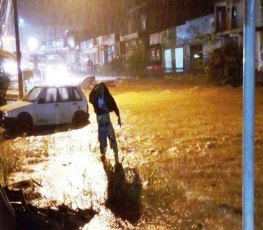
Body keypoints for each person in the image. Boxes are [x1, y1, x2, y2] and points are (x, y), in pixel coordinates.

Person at [89, 82, 121, 163]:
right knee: (102, 143)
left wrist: (118, 117)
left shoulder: (107, 97)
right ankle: (103, 157)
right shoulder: (95, 98)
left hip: (107, 122)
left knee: (113, 140)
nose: (101, 90)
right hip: (101, 125)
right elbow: (90, 97)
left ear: (104, 90)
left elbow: (114, 105)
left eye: (102, 89)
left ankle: (117, 160)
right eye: (99, 89)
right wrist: (95, 86)